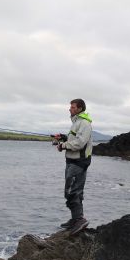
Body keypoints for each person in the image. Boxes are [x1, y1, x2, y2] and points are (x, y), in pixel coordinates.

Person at [53, 98, 93, 234]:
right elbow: (74, 139)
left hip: (79, 162)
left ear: (80, 109)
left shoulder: (84, 123)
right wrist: (63, 138)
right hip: (72, 161)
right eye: (70, 107)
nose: (70, 109)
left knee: (71, 191)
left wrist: (63, 146)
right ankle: (75, 219)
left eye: (73, 107)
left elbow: (80, 143)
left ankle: (79, 219)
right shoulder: (76, 122)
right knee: (75, 191)